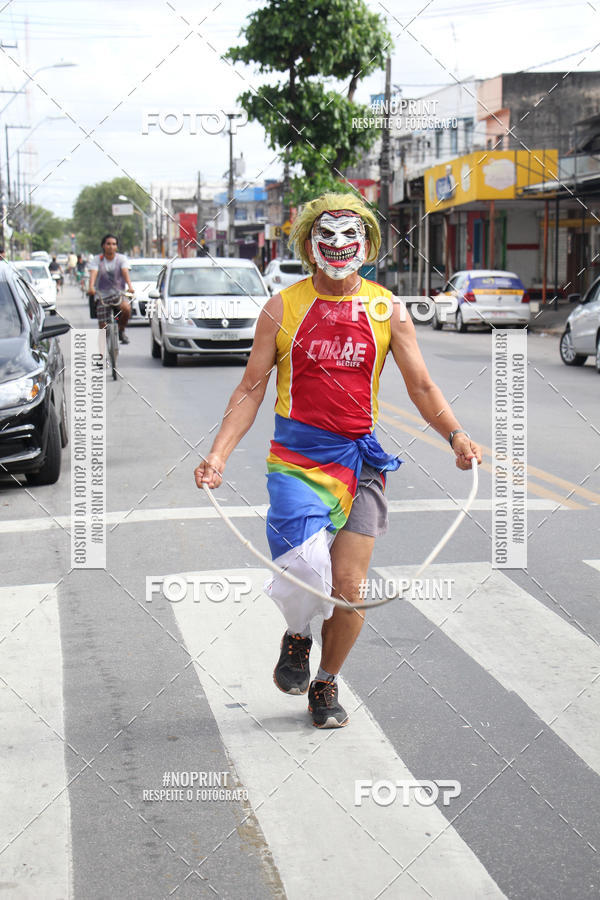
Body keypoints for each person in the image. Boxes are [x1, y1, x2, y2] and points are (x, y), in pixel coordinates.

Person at [195, 192, 482, 729]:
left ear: (368, 245)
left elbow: (420, 385)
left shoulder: (386, 309)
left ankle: (325, 682)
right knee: (304, 569)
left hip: (361, 460)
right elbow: (251, 389)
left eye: (351, 238)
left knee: (349, 589)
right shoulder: (282, 307)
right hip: (297, 461)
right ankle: (298, 633)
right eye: (326, 238)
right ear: (308, 245)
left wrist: (456, 435)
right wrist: (218, 455)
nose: (338, 247)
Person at [88, 235, 135, 344]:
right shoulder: (97, 260)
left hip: (119, 294)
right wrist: (91, 287)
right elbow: (93, 273)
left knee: (126, 309)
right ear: (103, 246)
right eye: (108, 244)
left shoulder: (121, 259)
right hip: (102, 296)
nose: (111, 246)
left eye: (114, 244)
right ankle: (103, 352)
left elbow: (125, 271)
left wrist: (130, 286)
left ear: (116, 247)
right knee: (103, 326)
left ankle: (121, 331)